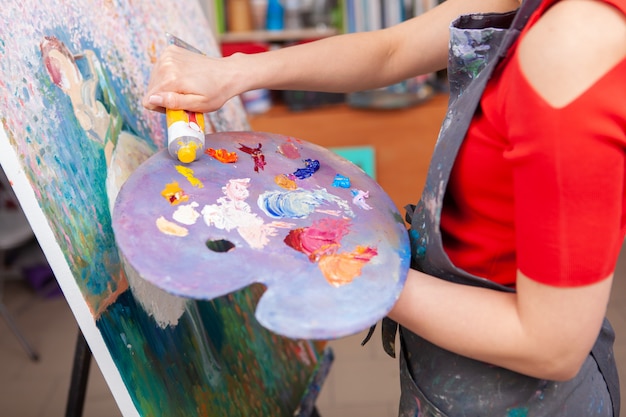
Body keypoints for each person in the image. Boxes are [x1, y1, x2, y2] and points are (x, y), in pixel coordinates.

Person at [142, 0, 626, 415]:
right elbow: (390, 50)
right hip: (452, 366)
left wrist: (341, 262)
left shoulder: (574, 44)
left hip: (523, 396)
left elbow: (551, 346)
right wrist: (236, 72)